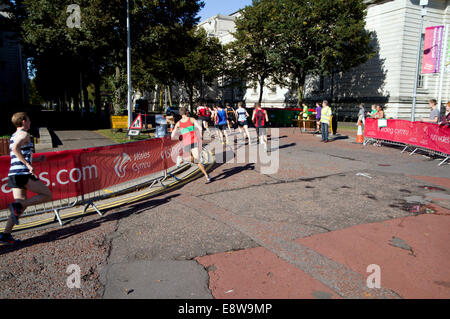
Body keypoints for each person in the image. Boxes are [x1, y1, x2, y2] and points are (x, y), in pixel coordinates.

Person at [0, 112, 52, 245]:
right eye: (28, 120)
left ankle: (6, 235)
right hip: (23, 174)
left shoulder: (14, 135)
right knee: (47, 194)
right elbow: (15, 149)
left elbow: (20, 153)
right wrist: (28, 165)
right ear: (23, 121)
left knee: (19, 207)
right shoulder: (24, 134)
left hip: (14, 174)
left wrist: (36, 159)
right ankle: (18, 205)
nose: (30, 123)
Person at [171, 107, 210, 182]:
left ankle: (206, 175)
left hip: (186, 143)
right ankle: (206, 175)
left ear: (180, 114)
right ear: (186, 112)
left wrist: (178, 137)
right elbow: (200, 128)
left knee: (195, 160)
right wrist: (201, 137)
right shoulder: (191, 119)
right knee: (197, 160)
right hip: (193, 141)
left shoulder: (178, 123)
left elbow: (172, 135)